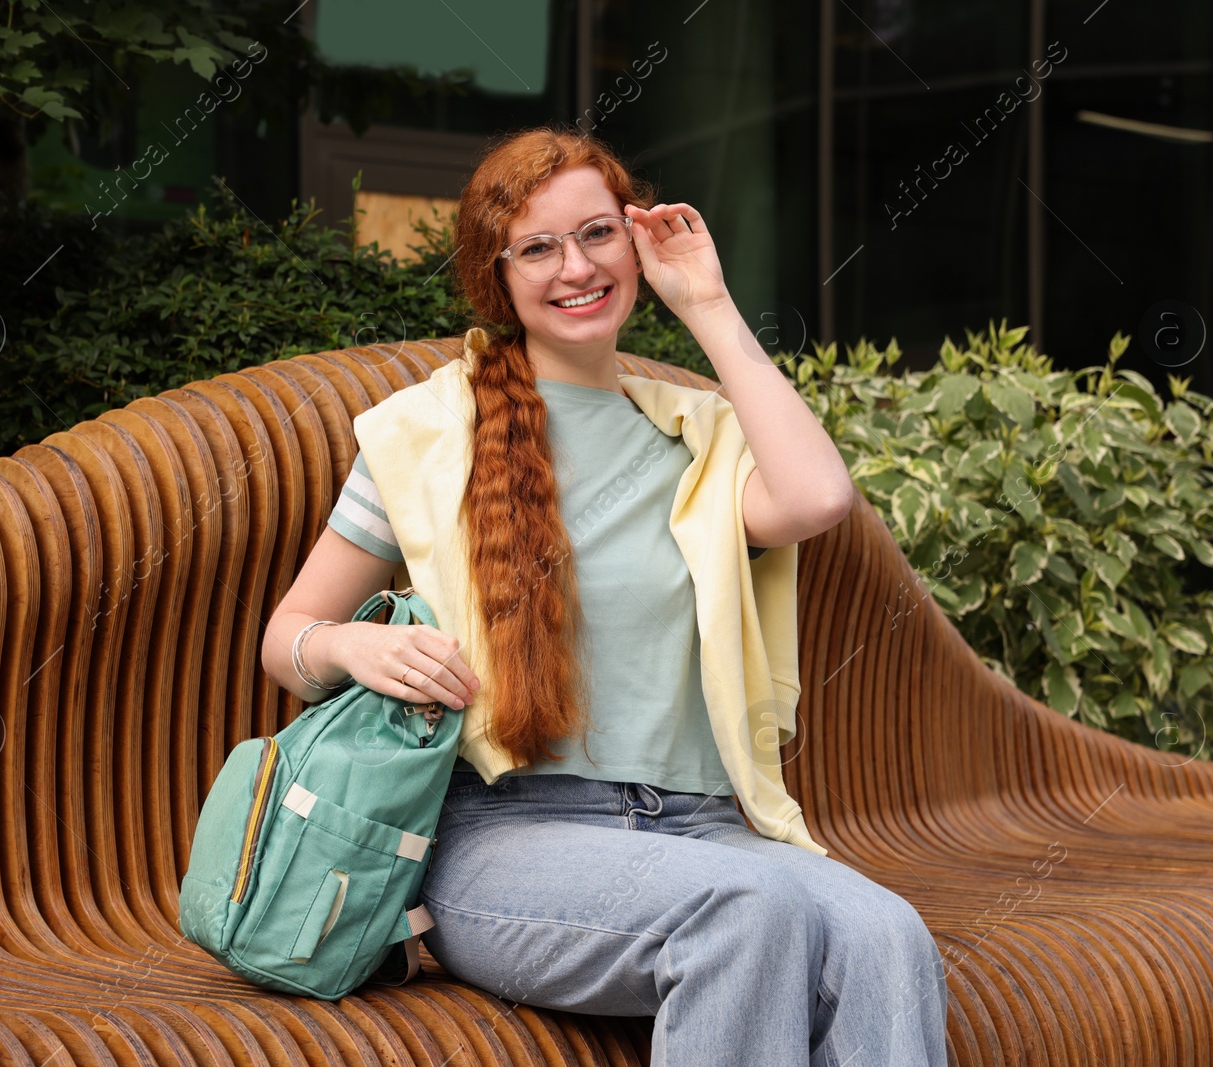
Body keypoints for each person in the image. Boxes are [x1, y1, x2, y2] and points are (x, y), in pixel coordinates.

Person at [262, 126, 949, 1066]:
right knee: (749, 916)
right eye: (537, 247)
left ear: (635, 243)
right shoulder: (428, 433)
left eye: (596, 234)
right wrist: (351, 649)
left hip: (705, 827)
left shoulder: (700, 436)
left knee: (887, 935)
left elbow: (819, 498)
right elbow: (288, 636)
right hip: (509, 835)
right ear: (495, 275)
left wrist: (705, 302)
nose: (575, 267)